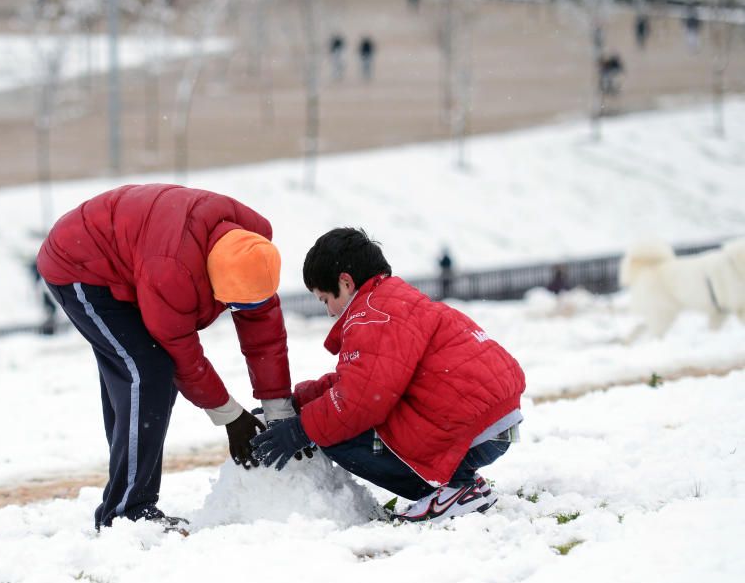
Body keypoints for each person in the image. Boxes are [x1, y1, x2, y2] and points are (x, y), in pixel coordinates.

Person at [37, 184, 294, 530]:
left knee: (140, 377)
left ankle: (128, 495)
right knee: (146, 372)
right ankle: (126, 512)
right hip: (81, 264)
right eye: (234, 304)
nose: (242, 311)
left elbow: (265, 332)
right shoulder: (172, 271)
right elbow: (182, 352)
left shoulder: (251, 251)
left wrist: (279, 412)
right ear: (212, 280)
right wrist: (231, 417)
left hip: (133, 258)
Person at [251, 228, 526, 523]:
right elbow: (366, 381)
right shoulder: (396, 301)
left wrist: (299, 430)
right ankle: (461, 482)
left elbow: (358, 400)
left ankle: (453, 489)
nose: (329, 312)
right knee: (338, 418)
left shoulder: (371, 314)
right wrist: (299, 402)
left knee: (336, 434)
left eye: (324, 299)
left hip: (469, 429)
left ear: (345, 282)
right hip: (494, 425)